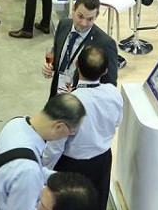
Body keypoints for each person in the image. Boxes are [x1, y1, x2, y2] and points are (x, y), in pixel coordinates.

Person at [43, 46, 122, 210]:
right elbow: (117, 122)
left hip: (72, 165)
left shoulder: (69, 103)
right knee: (97, 202)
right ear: (105, 71)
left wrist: (44, 169)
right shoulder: (114, 93)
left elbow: (55, 146)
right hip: (102, 160)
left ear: (77, 65)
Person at [0, 94, 86, 210]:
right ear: (59, 127)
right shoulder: (28, 170)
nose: (70, 135)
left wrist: (60, 179)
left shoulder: (16, 123)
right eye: (72, 131)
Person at [43, 0, 119, 96]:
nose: (84, 23)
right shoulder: (63, 25)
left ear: (96, 16)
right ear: (73, 9)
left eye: (90, 19)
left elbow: (110, 86)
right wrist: (50, 68)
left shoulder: (105, 44)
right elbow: (57, 56)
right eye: (80, 16)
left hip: (82, 101)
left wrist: (81, 94)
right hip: (56, 95)